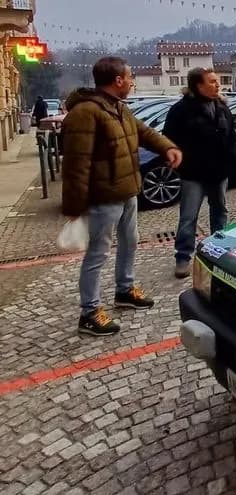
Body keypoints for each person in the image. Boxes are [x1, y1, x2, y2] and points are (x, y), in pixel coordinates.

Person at [61, 56, 182, 336]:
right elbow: (76, 164)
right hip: (104, 196)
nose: (131, 82)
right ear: (117, 80)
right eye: (129, 77)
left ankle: (124, 291)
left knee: (130, 242)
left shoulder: (118, 108)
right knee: (97, 253)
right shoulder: (86, 113)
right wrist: (74, 206)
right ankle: (89, 312)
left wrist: (167, 148)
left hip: (128, 191)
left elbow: (144, 132)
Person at [164, 67, 236, 279]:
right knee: (188, 217)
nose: (217, 85)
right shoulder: (181, 110)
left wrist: (230, 160)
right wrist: (180, 163)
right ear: (198, 85)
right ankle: (183, 257)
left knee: (220, 211)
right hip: (193, 174)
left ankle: (217, 249)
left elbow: (231, 137)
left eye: (217, 81)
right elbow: (168, 140)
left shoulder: (222, 107)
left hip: (219, 172)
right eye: (212, 81)